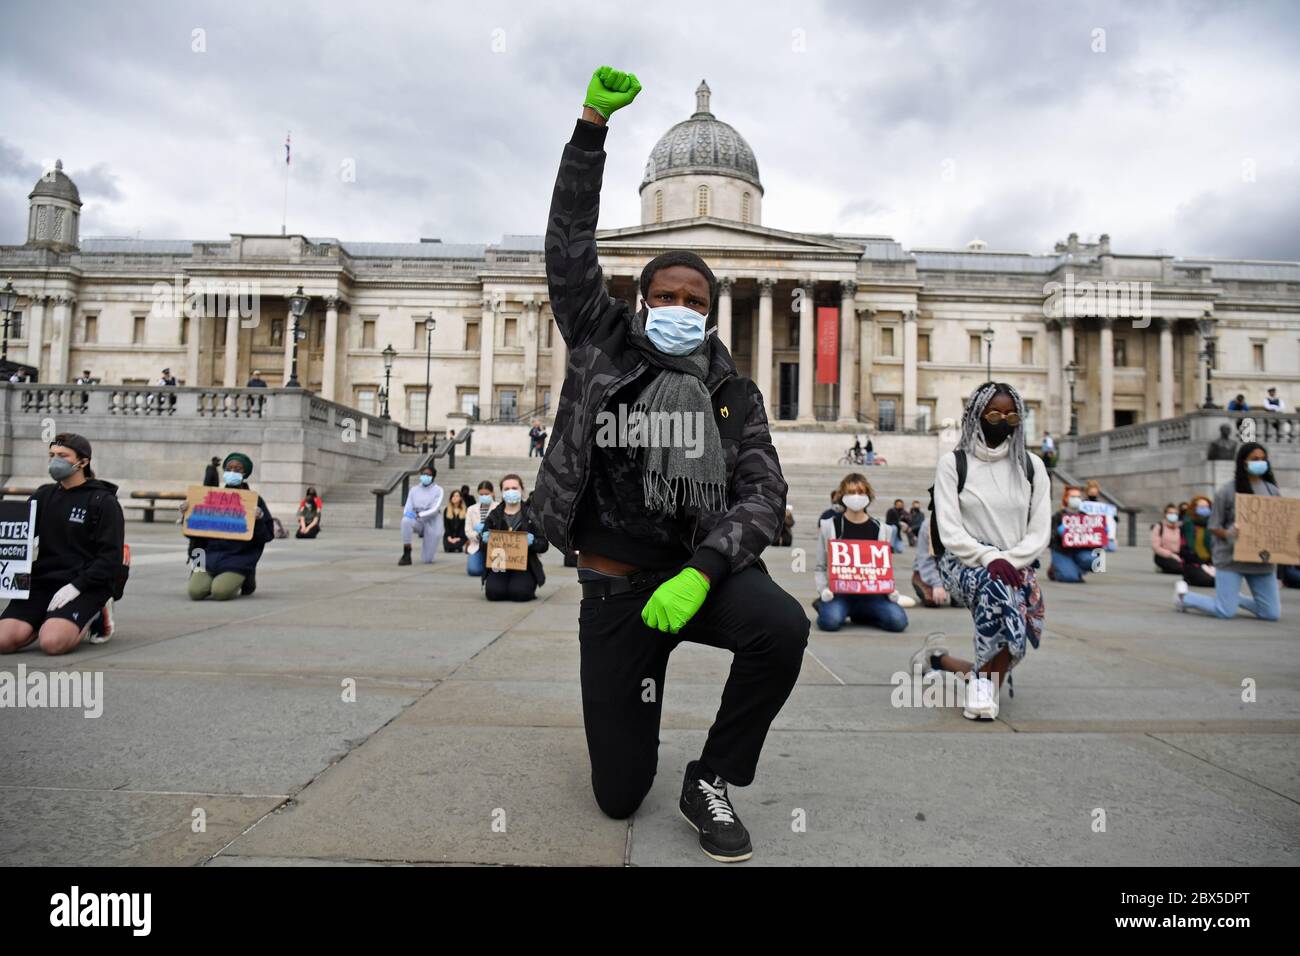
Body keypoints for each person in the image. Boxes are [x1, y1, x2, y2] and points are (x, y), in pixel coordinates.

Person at [531, 67, 809, 864]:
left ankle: (712, 775)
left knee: (783, 627)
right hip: (616, 586)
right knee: (619, 792)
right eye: (668, 294)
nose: (682, 306)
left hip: (699, 577)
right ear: (639, 298)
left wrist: (710, 565)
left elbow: (764, 494)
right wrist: (591, 129)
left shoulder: (731, 390)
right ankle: (637, 720)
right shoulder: (600, 342)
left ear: (712, 311)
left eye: (697, 298)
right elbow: (569, 245)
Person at [911, 382, 1049, 721]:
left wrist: (1009, 560)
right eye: (994, 413)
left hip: (1015, 564)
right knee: (998, 591)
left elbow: (1039, 530)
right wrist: (989, 557)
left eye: (1012, 415)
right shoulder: (953, 464)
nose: (1003, 420)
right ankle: (983, 685)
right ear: (976, 415)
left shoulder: (1032, 466)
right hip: (963, 563)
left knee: (1007, 597)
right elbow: (949, 529)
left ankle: (953, 669)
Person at [0, 434, 124, 654]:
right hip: (44, 581)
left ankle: (98, 612)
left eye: (62, 455)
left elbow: (110, 558)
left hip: (84, 583)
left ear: (83, 462)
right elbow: (17, 538)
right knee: (3, 641)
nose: (54, 461)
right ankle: (45, 618)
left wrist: (78, 586)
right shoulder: (43, 496)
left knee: (52, 643)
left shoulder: (103, 501)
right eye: (52, 455)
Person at [1176, 442, 1281, 621]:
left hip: (1262, 560)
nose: (1260, 462)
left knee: (1271, 614)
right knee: (1225, 611)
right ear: (1243, 462)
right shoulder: (1226, 491)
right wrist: (1229, 533)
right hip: (1231, 558)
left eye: (1263, 459)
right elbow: (1213, 526)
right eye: (1255, 459)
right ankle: (1184, 598)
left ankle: (1235, 598)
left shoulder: (1272, 491)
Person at [813, 474, 908, 633]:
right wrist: (823, 590)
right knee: (830, 622)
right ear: (843, 496)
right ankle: (826, 605)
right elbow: (820, 566)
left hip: (872, 594)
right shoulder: (829, 526)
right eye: (851, 492)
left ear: (868, 496)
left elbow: (884, 567)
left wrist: (890, 589)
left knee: (898, 621)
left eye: (860, 492)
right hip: (840, 593)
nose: (856, 496)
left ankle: (861, 612)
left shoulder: (882, 529)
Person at [185, 452, 274, 600]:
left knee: (220, 592)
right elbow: (192, 533)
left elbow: (266, 536)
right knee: (195, 592)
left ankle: (246, 576)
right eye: (228, 468)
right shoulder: (211, 497)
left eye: (237, 469)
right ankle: (207, 577)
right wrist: (187, 514)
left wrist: (258, 519)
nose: (232, 472)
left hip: (238, 558)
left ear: (245, 474)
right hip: (207, 557)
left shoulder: (254, 501)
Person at [481, 474, 549, 601]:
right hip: (499, 565)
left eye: (514, 488)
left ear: (521, 490)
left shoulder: (532, 515)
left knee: (519, 593)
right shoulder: (494, 515)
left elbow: (544, 545)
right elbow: (482, 547)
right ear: (501, 492)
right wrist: (485, 541)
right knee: (494, 593)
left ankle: (523, 584)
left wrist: (533, 542)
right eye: (507, 489)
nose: (511, 491)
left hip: (525, 565)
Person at [1048, 485, 1099, 583]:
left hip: (1080, 550)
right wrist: (1059, 533)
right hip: (1062, 551)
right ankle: (1056, 569)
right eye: (1073, 497)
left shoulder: (1085, 516)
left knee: (1096, 562)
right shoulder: (1058, 516)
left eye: (1078, 497)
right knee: (1070, 578)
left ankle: (1075, 569)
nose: (1076, 499)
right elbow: (1051, 538)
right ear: (1066, 498)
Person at [398, 464, 443, 565]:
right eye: (423, 474)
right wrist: (408, 514)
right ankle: (407, 552)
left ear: (433, 477)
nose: (425, 476)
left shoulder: (438, 490)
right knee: (405, 521)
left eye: (428, 474)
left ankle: (428, 551)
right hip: (417, 520)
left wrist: (419, 515)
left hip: (432, 521)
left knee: (427, 559)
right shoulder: (414, 490)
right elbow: (408, 506)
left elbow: (435, 509)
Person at [911, 513, 960, 608]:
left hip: (954, 571)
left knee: (962, 601)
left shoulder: (967, 523)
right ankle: (918, 579)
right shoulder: (929, 524)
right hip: (930, 569)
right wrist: (937, 584)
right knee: (933, 601)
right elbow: (925, 559)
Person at [1179, 494, 1217, 588]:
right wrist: (1200, 562)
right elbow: (1184, 550)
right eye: (1201, 507)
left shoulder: (1213, 525)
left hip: (1212, 563)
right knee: (1208, 580)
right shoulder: (1187, 524)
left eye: (1207, 507)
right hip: (1194, 563)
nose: (1205, 509)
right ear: (1194, 508)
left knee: (1224, 581)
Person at [464, 481, 496, 576]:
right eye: (481, 494)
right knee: (474, 571)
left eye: (487, 494)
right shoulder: (471, 509)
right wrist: (478, 535)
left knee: (497, 571)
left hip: (494, 544)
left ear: (492, 493)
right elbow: (468, 530)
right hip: (477, 543)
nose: (484, 496)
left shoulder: (499, 507)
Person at [1150, 503, 1183, 575]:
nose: (1173, 515)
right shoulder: (1159, 526)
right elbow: (1155, 547)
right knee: (1178, 568)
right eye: (1170, 513)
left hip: (1179, 555)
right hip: (1163, 555)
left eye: (1175, 513)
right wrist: (1171, 554)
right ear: (1165, 514)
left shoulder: (1180, 527)